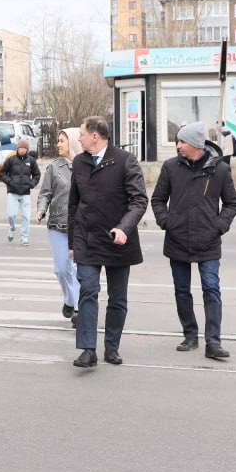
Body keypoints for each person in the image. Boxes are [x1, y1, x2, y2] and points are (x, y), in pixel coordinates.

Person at [151, 122, 236, 361]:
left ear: (195, 144)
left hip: (208, 240)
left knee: (211, 289)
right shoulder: (170, 167)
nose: (177, 145)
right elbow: (158, 199)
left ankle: (213, 342)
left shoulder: (219, 170)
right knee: (182, 290)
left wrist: (219, 226)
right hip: (177, 239)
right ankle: (190, 335)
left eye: (181, 141)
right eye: (177, 141)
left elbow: (232, 203)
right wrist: (166, 222)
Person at [67, 116, 148, 368]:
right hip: (87, 239)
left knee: (117, 298)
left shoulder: (125, 161)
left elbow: (139, 200)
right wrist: (72, 242)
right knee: (88, 291)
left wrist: (124, 228)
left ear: (95, 136)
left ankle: (111, 347)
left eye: (81, 133)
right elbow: (73, 204)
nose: (78, 138)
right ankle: (88, 350)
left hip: (117, 240)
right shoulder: (79, 163)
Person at [36, 128, 82, 327]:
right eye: (58, 141)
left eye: (62, 141)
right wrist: (41, 209)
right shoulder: (54, 167)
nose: (58, 144)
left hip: (80, 227)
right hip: (57, 225)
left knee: (79, 269)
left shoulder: (87, 166)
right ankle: (69, 300)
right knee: (62, 269)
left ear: (72, 142)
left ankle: (79, 309)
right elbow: (45, 192)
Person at [0, 138, 41, 245]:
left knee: (26, 217)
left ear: (27, 150)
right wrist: (9, 182)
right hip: (12, 192)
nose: (22, 150)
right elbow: (2, 173)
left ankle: (24, 238)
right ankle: (12, 228)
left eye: (24, 148)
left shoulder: (31, 161)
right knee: (11, 215)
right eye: (20, 148)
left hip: (25, 193)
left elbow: (37, 174)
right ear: (17, 149)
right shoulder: (11, 160)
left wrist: (32, 184)